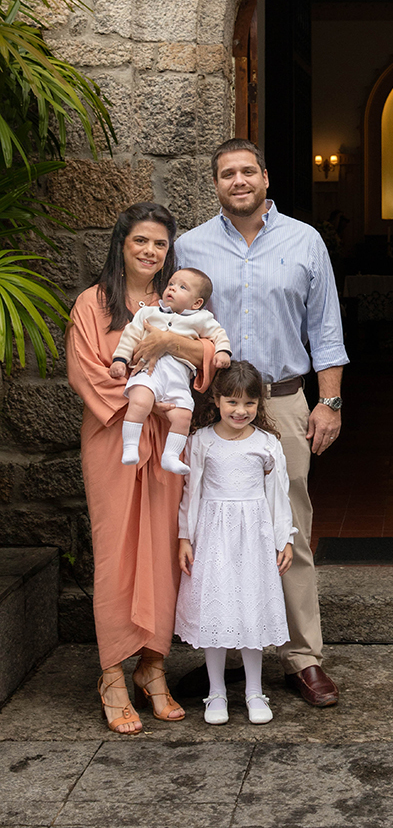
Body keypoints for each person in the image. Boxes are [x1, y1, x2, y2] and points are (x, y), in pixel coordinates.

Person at [171, 138, 348, 707]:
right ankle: (222, 653)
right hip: (212, 407)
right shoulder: (190, 246)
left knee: (286, 527)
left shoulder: (305, 240)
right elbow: (171, 320)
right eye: (227, 173)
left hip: (285, 401)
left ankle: (302, 658)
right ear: (215, 183)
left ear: (266, 177)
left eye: (248, 171)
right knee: (214, 529)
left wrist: (329, 402)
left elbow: (326, 328)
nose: (239, 181)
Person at [66, 203, 217, 735]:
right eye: (141, 241)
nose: (150, 251)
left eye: (160, 244)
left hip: (168, 442)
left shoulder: (176, 299)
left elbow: (209, 354)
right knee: (115, 551)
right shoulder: (93, 303)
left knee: (162, 548)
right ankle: (112, 672)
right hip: (115, 436)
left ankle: (153, 666)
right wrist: (148, 404)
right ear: (122, 244)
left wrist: (173, 344)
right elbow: (86, 373)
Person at [175, 361, 295, 725]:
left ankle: (254, 691)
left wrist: (284, 539)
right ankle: (216, 692)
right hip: (213, 539)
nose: (240, 411)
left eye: (249, 404)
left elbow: (278, 496)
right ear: (216, 400)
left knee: (250, 609)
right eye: (232, 402)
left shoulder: (267, 444)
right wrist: (185, 537)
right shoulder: (200, 442)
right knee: (217, 612)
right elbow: (191, 494)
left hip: (254, 540)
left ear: (259, 404)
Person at [110, 267, 232, 475]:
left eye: (182, 287)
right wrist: (120, 360)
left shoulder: (202, 319)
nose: (173, 289)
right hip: (149, 372)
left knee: (183, 416)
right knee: (139, 402)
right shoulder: (148, 313)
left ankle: (171, 456)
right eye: (171, 284)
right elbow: (130, 336)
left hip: (178, 379)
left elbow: (218, 334)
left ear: (196, 303)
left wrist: (222, 352)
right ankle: (130, 446)